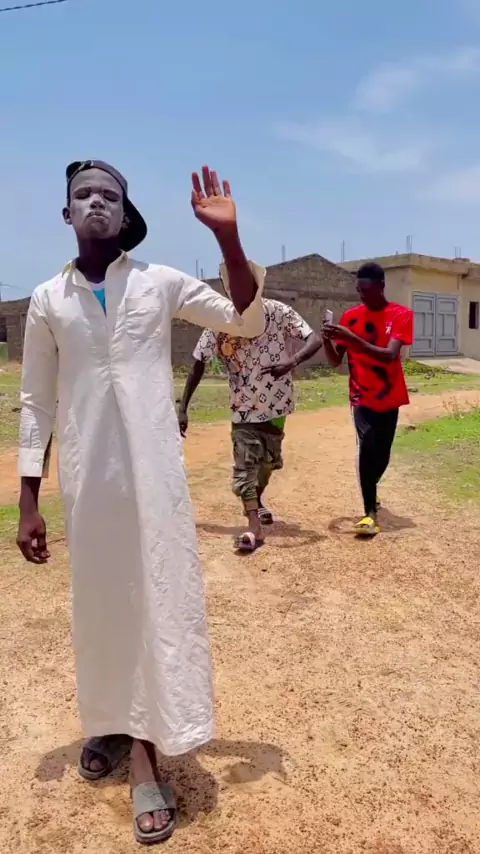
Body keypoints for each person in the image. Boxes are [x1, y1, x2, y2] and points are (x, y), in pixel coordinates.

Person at [16, 160, 268, 845]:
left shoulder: (160, 283)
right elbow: (36, 401)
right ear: (66, 213)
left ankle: (145, 756)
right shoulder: (48, 299)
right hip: (89, 482)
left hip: (155, 481)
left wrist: (228, 239)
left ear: (126, 215)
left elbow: (243, 320)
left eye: (110, 195)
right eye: (83, 195)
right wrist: (29, 499)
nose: (96, 202)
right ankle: (109, 719)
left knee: (156, 598)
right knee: (102, 604)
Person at [178, 300, 322, 551]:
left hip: (276, 405)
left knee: (267, 464)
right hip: (242, 408)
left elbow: (314, 339)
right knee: (245, 466)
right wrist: (183, 407)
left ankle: (257, 500)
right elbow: (199, 362)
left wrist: (291, 362)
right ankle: (254, 525)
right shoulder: (218, 319)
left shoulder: (278, 311)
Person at [322, 261, 413, 536]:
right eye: (358, 289)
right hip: (360, 395)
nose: (361, 295)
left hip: (389, 396)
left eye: (366, 289)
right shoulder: (350, 317)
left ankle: (371, 487)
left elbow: (389, 355)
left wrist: (352, 339)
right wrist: (326, 339)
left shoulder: (401, 314)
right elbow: (335, 361)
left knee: (382, 454)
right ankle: (369, 513)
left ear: (381, 286)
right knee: (367, 442)